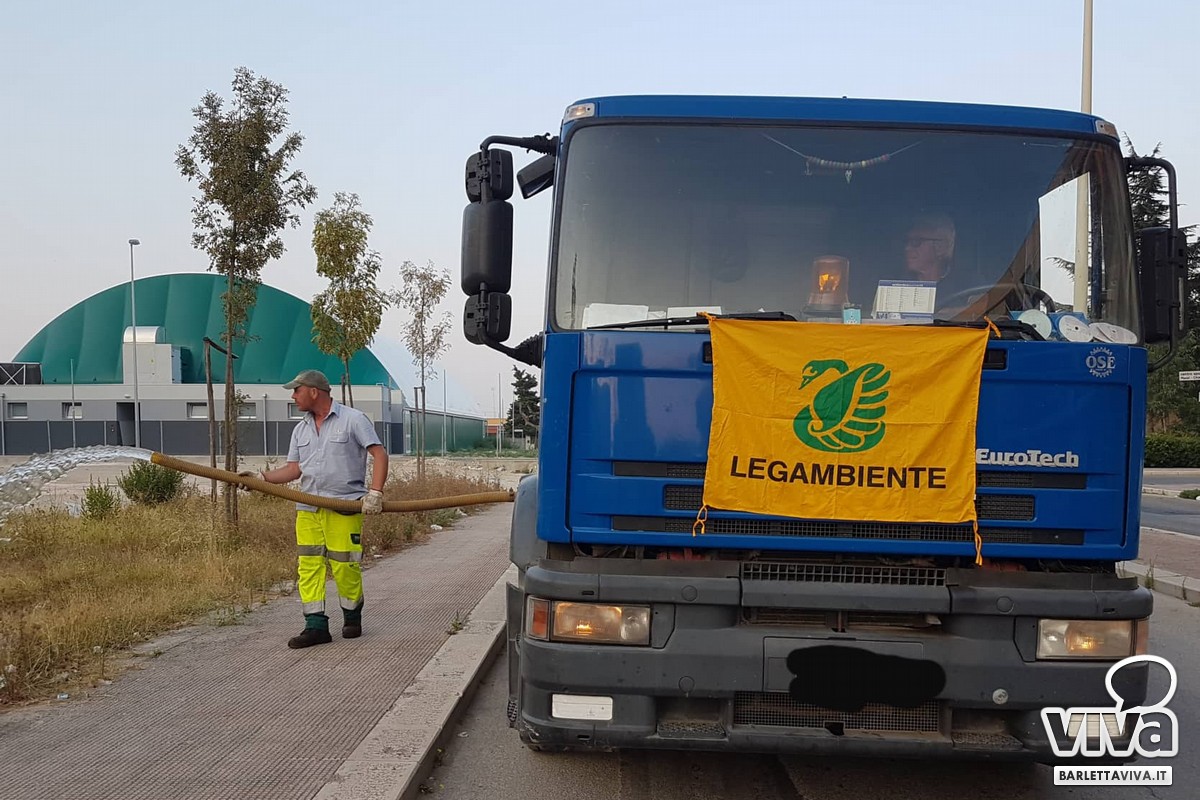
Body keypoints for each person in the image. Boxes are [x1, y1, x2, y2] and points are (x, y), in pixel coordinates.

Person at [250, 369, 389, 649]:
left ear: (314, 391)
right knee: (309, 566)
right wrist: (261, 479)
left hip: (344, 507)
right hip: (308, 509)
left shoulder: (353, 420)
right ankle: (315, 626)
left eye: (296, 390)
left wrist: (375, 493)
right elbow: (293, 469)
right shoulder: (300, 429)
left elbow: (379, 453)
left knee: (345, 565)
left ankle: (352, 616)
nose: (293, 396)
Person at [902, 212, 956, 283]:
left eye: (916, 241)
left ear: (940, 247)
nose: (907, 248)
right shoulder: (898, 284)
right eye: (907, 241)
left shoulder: (965, 291)